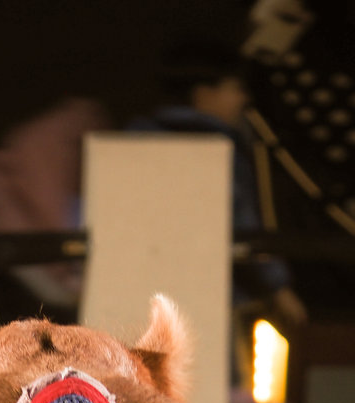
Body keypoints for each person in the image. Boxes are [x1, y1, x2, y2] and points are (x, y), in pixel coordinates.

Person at [132, 41, 308, 332]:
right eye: (235, 88)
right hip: (215, 302)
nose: (243, 99)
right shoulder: (220, 149)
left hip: (140, 298)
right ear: (204, 93)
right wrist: (279, 288)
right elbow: (242, 222)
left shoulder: (132, 141)